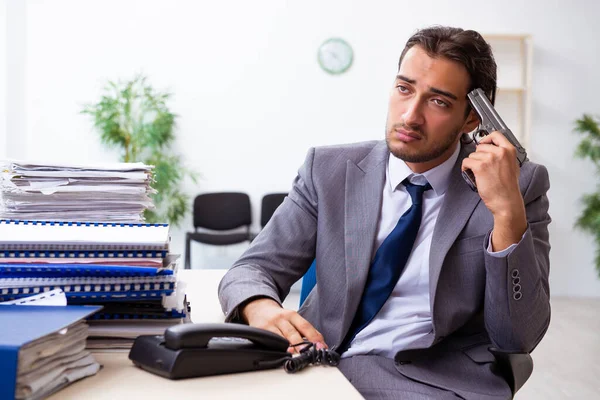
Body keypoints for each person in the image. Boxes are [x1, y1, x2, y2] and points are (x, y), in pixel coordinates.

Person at [218, 25, 550, 400]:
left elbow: (519, 335)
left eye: (438, 101)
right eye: (404, 89)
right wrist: (260, 308)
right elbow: (252, 268)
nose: (410, 115)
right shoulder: (328, 169)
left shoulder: (519, 187)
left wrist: (507, 214)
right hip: (314, 367)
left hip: (431, 381)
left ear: (472, 119)